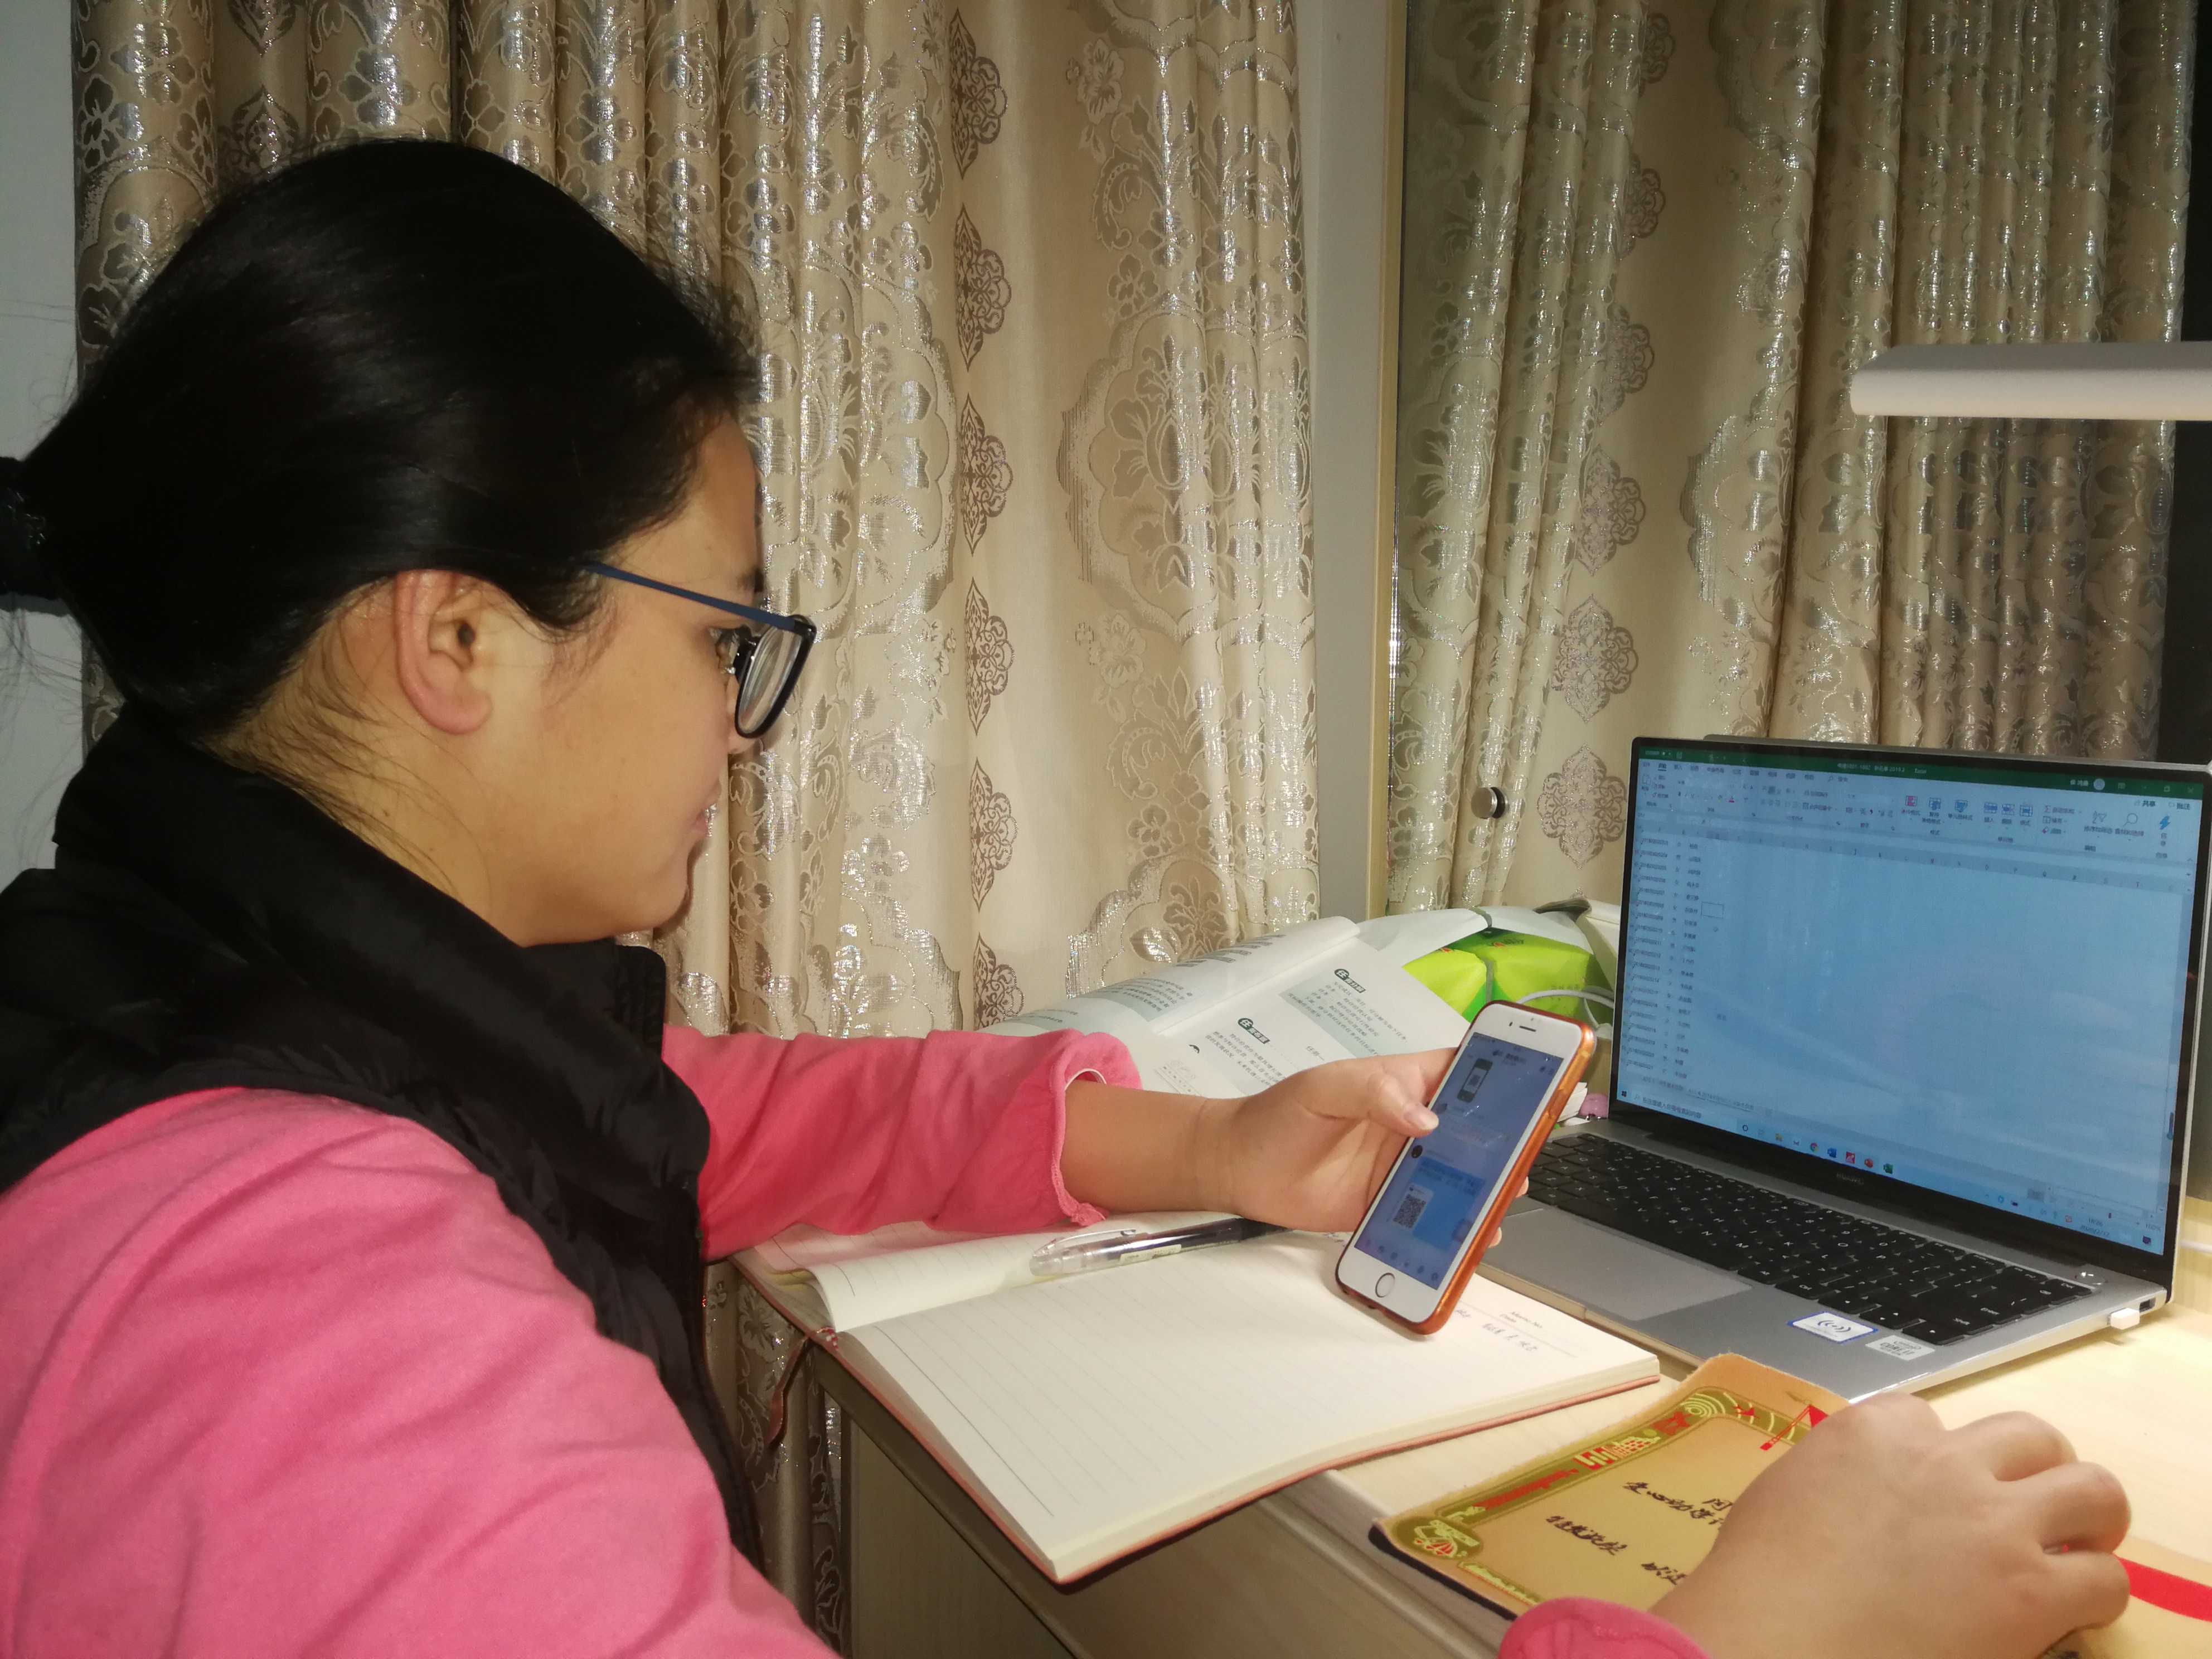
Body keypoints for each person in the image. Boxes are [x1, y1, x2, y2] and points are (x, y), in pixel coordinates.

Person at [0, 140, 2129, 1659]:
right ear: (456, 638)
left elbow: (709, 1112)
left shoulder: (211, 980)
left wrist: (1202, 1144)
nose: (740, 729)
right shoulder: (289, 1306)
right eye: (721, 639)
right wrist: (1764, 1634)